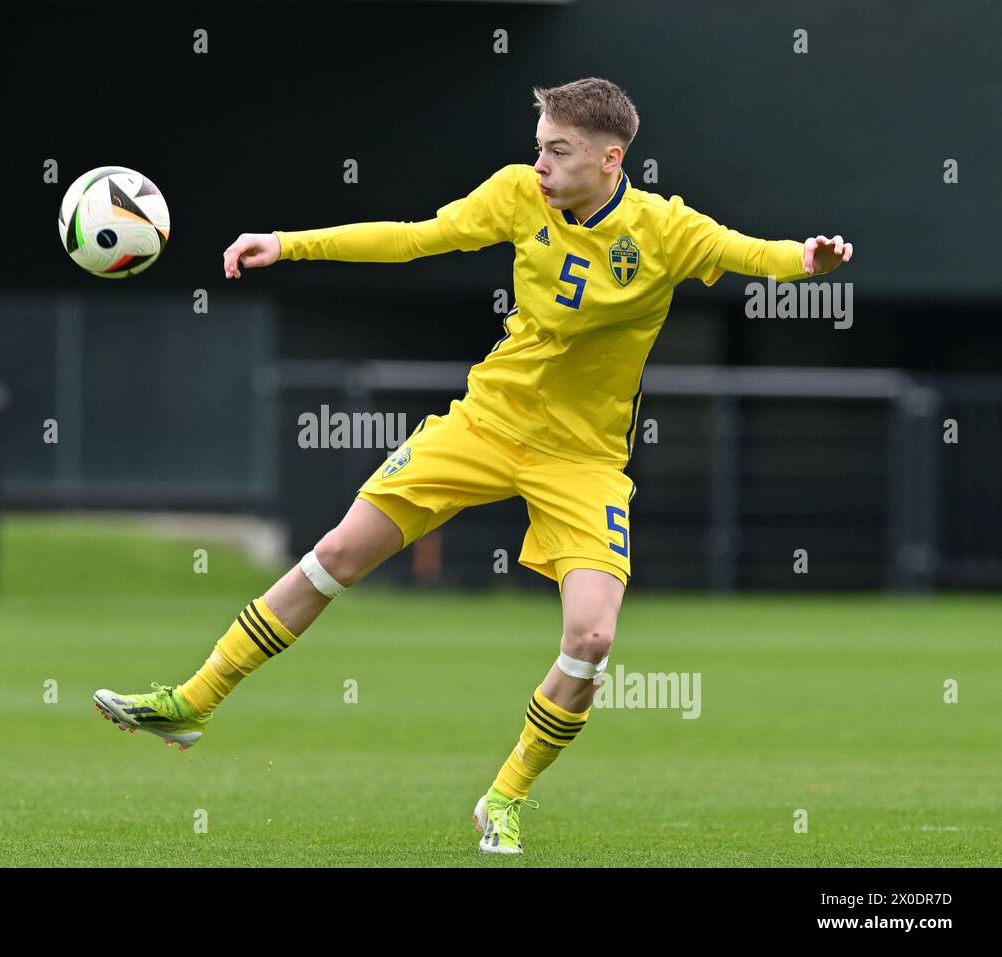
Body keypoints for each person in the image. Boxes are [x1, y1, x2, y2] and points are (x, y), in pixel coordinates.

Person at [93, 76, 854, 855]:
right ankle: (193, 701)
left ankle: (506, 794)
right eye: (539, 148)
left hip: (584, 461)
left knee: (591, 639)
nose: (541, 165)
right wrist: (290, 243)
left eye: (558, 152)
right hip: (487, 423)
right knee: (337, 552)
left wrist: (809, 260)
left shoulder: (665, 229)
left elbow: (750, 251)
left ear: (609, 157)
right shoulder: (518, 195)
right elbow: (414, 236)